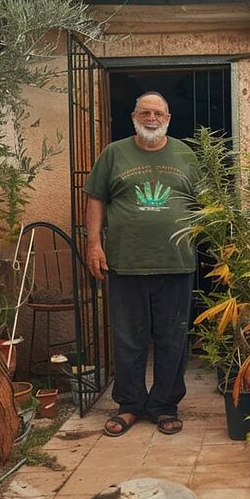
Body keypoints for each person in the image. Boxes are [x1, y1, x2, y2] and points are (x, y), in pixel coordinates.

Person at [83, 91, 200, 437]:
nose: (152, 118)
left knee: (171, 337)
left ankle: (165, 405)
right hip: (125, 261)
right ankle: (130, 405)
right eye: (145, 112)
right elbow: (95, 198)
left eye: (158, 113)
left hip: (176, 262)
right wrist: (93, 245)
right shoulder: (114, 153)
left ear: (168, 118)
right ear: (134, 116)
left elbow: (205, 202)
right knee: (127, 337)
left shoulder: (186, 154)